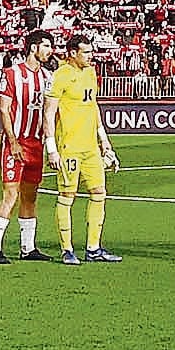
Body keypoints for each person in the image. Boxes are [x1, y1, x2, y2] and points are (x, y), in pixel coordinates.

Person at [47, 35, 121, 264]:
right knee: (67, 196)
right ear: (72, 53)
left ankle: (93, 248)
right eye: (86, 52)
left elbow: (93, 106)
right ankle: (67, 249)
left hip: (91, 148)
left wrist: (104, 140)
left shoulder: (90, 73)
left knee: (99, 193)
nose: (91, 56)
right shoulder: (60, 76)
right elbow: (48, 113)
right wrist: (51, 148)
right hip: (69, 147)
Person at [0, 35, 56, 263]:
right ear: (33, 47)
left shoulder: (48, 77)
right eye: (46, 45)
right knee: (10, 194)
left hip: (36, 143)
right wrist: (13, 141)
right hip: (15, 143)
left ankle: (28, 248)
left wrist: (50, 144)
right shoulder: (12, 73)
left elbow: (49, 112)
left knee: (30, 196)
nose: (50, 50)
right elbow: (3, 109)